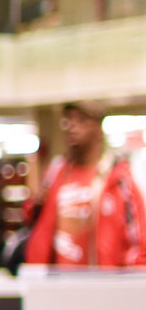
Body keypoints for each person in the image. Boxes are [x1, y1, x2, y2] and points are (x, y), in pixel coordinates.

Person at [22, 99, 145, 268]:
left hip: (101, 281)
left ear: (98, 128)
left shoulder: (118, 177)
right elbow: (34, 220)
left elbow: (138, 236)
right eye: (67, 120)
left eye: (81, 120)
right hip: (57, 281)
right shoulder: (56, 173)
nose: (71, 127)